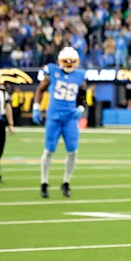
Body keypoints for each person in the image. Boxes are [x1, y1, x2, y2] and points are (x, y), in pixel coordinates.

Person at [32, 47, 86, 199]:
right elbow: (40, 89)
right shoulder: (53, 72)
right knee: (49, 150)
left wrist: (81, 107)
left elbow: (83, 96)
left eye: (72, 61)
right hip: (54, 117)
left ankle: (66, 182)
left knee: (73, 151)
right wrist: (36, 107)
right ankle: (44, 182)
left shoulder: (80, 76)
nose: (69, 64)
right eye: (66, 61)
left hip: (70, 118)